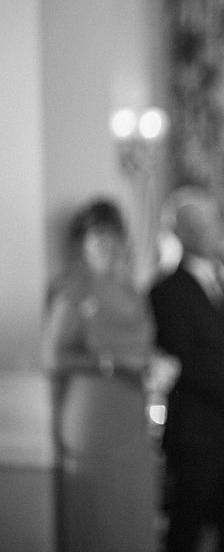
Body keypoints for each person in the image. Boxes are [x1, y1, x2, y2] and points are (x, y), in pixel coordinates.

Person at [42, 198, 159, 551]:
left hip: (131, 418)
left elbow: (140, 347)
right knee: (97, 523)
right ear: (82, 243)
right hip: (92, 420)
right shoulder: (73, 290)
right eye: (97, 236)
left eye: (113, 235)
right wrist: (111, 363)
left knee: (132, 518)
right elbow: (53, 357)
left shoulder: (130, 290)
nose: (107, 244)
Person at [149, 187, 224, 551]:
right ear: (180, 232)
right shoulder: (165, 290)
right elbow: (186, 357)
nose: (213, 231)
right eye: (201, 224)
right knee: (187, 530)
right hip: (196, 432)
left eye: (213, 222)